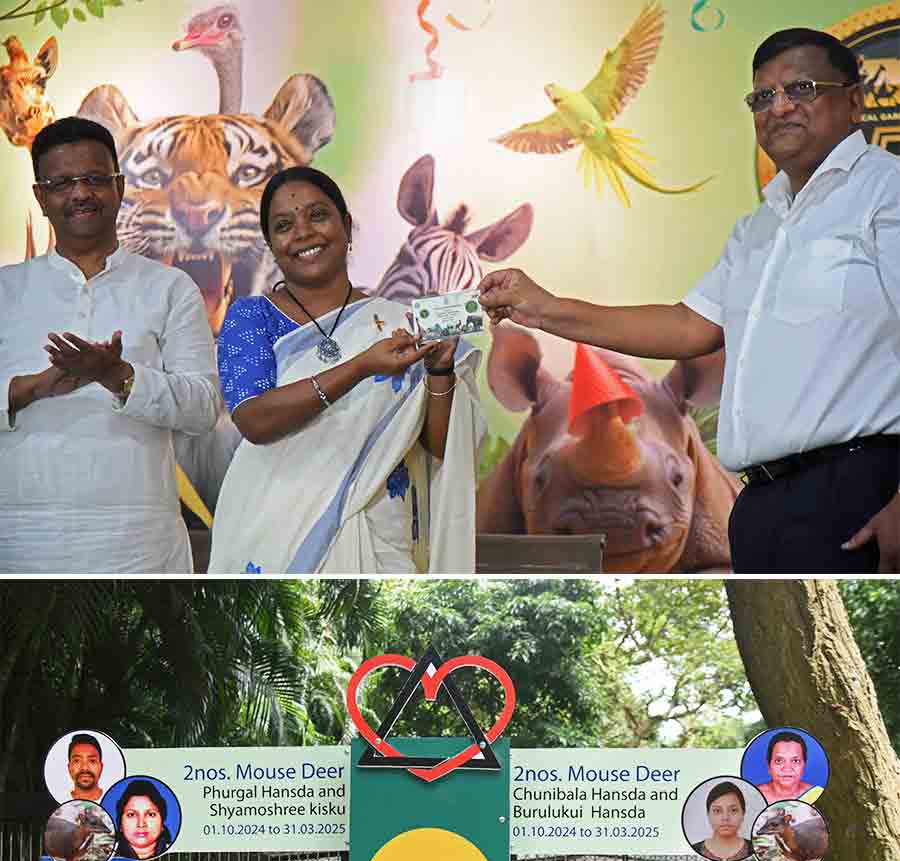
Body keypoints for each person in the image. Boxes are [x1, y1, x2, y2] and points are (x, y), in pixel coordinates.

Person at [480, 28, 900, 573]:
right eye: (762, 97)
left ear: (853, 100)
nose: (779, 108)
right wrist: (541, 306)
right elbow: (688, 327)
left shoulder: (885, 193)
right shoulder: (759, 228)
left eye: (801, 88)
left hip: (861, 488)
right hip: (765, 502)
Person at [208, 167, 486, 573]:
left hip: (379, 529)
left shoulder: (397, 323)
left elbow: (439, 448)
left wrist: (440, 371)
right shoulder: (250, 318)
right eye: (284, 225)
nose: (303, 232)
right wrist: (359, 367)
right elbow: (254, 419)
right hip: (271, 526)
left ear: (347, 227)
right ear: (271, 244)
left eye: (318, 216)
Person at [0, 117, 221, 573]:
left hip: (140, 545)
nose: (80, 193)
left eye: (95, 179)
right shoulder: (6, 290)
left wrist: (117, 377)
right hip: (21, 542)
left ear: (118, 188)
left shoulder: (170, 288)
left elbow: (202, 409)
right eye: (61, 183)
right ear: (41, 198)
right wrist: (32, 388)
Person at [692, 782, 754, 861]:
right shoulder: (693, 851)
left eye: (733, 810)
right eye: (717, 811)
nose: (725, 818)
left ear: (743, 813)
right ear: (708, 814)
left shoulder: (757, 850)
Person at [115, 780, 173, 861]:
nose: (141, 824)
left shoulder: (174, 853)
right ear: (120, 825)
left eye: (151, 814)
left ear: (162, 824)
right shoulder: (105, 856)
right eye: (131, 815)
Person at [757, 734, 813, 804]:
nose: (787, 769)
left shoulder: (814, 793)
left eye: (795, 761)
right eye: (779, 761)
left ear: (804, 765)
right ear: (769, 765)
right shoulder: (755, 795)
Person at [67, 733, 104, 802]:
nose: (84, 768)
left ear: (101, 767)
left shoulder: (112, 801)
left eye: (92, 761)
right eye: (77, 761)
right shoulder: (60, 801)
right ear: (69, 768)